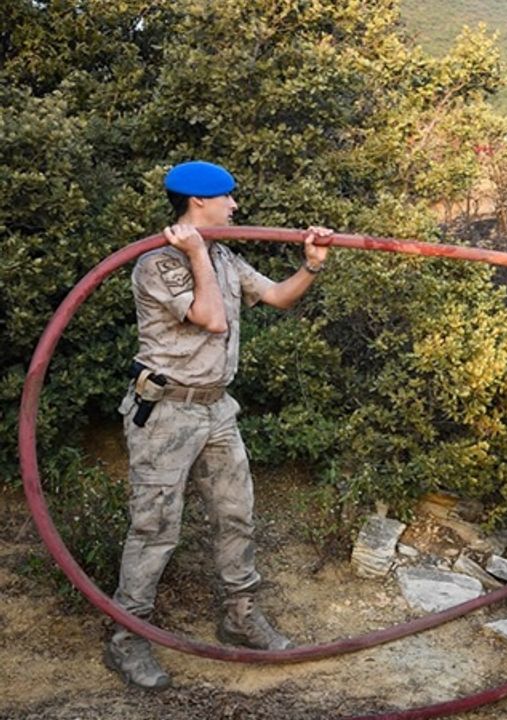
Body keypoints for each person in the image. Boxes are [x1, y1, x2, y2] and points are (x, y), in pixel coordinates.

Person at [105, 160, 333, 689]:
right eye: (228, 198)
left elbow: (276, 296)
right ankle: (128, 638)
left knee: (236, 515)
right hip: (165, 412)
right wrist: (194, 253)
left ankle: (241, 617)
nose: (235, 206)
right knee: (155, 530)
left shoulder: (225, 256)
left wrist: (313, 265)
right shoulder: (158, 265)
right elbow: (212, 318)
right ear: (198, 203)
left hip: (216, 408)